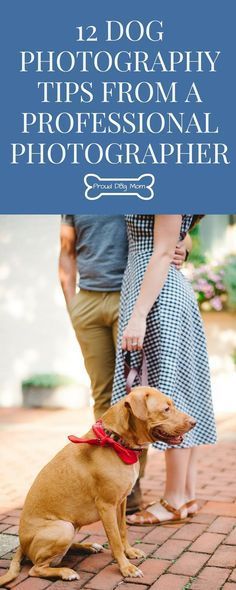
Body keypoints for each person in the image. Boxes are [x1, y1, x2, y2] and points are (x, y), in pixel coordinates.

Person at [59, 215, 191, 513]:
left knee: (134, 397)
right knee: (103, 395)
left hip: (130, 297)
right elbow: (66, 252)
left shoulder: (136, 187)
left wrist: (185, 246)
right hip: (88, 302)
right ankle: (108, 473)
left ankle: (131, 485)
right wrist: (73, 306)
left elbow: (179, 229)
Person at [112, 215, 217, 525]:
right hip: (156, 285)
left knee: (172, 395)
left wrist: (138, 315)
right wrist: (181, 243)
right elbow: (180, 234)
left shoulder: (166, 174)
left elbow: (160, 251)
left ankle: (173, 500)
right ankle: (186, 495)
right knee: (182, 388)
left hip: (156, 293)